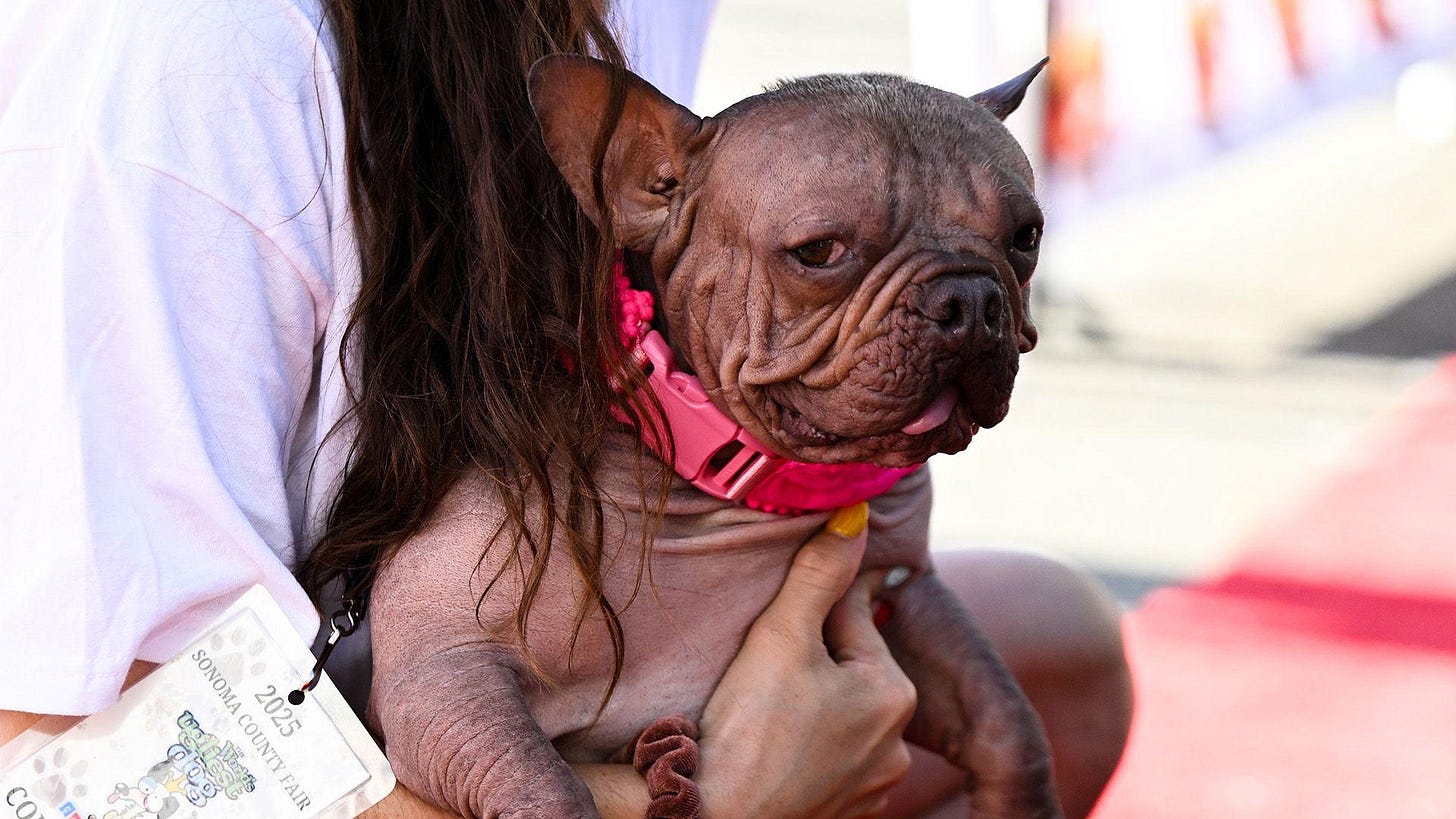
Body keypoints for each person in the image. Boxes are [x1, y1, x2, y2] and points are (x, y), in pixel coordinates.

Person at [0, 0, 1131, 816]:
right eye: (826, 255)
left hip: (551, 667)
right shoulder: (189, 68)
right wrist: (717, 803)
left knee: (1062, 653)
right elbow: (68, 754)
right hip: (181, 767)